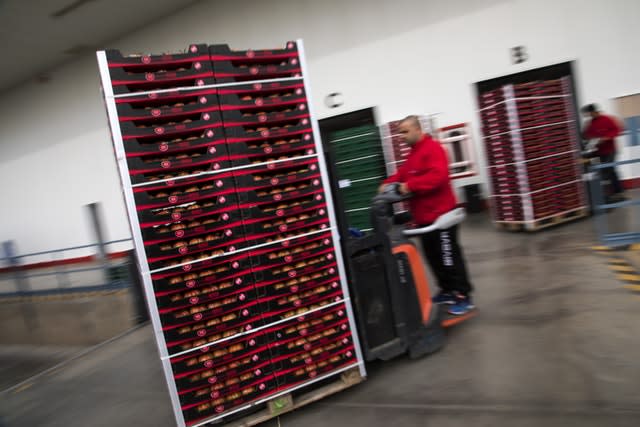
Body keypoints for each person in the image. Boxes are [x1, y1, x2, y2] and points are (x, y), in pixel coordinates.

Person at [378, 115, 474, 315]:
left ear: (417, 129)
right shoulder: (413, 155)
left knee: (449, 258)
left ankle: (464, 296)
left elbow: (438, 177)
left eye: (404, 132)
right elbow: (402, 174)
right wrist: (388, 183)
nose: (401, 137)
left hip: (442, 217)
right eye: (400, 133)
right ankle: (447, 290)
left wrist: (410, 186)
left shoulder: (434, 149)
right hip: (424, 219)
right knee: (433, 258)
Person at [581, 104, 626, 202]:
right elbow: (586, 135)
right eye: (588, 114)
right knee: (610, 170)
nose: (590, 116)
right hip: (599, 151)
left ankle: (614, 193)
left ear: (595, 111)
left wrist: (606, 137)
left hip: (610, 150)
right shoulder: (590, 123)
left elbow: (617, 130)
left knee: (607, 169)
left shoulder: (607, 119)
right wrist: (588, 139)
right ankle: (617, 192)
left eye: (590, 114)